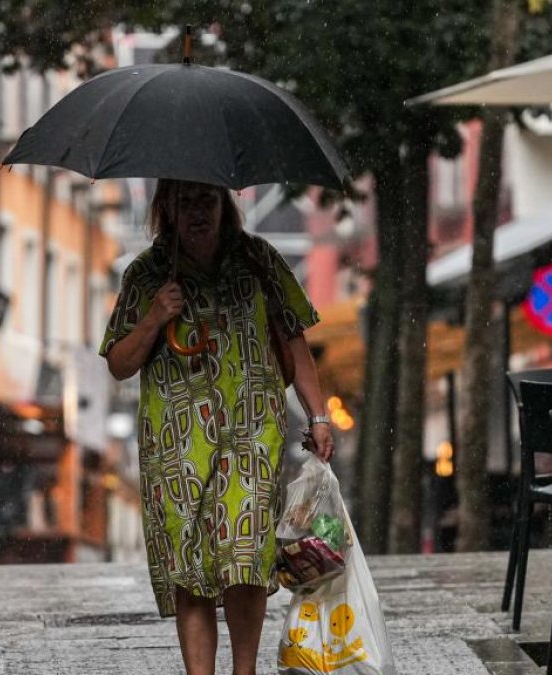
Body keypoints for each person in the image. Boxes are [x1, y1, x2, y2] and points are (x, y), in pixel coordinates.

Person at [99, 179, 335, 675]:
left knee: (246, 557)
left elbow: (295, 342)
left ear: (224, 204)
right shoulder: (146, 274)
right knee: (190, 570)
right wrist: (155, 316)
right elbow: (119, 363)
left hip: (252, 433)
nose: (196, 213)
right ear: (166, 208)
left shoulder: (259, 261)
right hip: (175, 446)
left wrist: (318, 415)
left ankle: (243, 672)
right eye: (184, 203)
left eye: (206, 200)